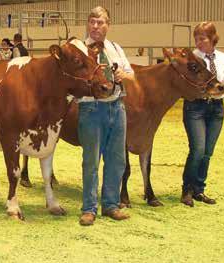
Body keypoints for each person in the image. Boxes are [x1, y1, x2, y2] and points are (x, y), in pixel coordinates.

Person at [77, 6, 133, 226]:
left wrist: (123, 74)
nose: (96, 26)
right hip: (91, 109)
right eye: (92, 21)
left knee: (116, 160)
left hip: (117, 107)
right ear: (87, 24)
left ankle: (110, 205)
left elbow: (133, 76)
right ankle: (89, 208)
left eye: (100, 22)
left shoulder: (115, 48)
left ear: (108, 25)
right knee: (91, 161)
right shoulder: (79, 50)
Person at [181, 21, 224, 207]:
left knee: (207, 152)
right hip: (195, 107)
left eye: (202, 38)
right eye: (196, 39)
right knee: (197, 149)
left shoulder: (223, 58)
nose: (198, 42)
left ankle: (199, 189)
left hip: (216, 108)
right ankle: (187, 189)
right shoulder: (191, 59)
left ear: (213, 38)